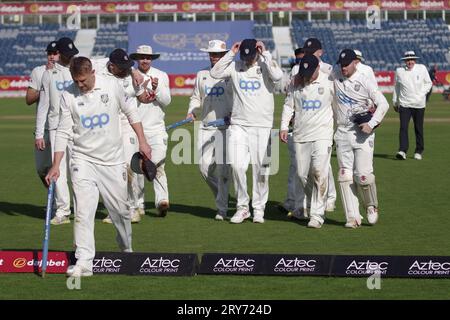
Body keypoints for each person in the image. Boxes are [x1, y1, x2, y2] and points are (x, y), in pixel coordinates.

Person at [45, 57, 152, 277]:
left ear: (92, 72)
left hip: (112, 161)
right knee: (83, 212)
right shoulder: (69, 95)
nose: (80, 85)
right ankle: (84, 262)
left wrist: (142, 141)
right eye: (76, 81)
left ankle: (125, 245)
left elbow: (132, 112)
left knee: (120, 212)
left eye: (83, 80)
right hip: (82, 160)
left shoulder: (111, 85)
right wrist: (56, 165)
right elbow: (63, 131)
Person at [211, 38, 283, 224]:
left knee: (261, 170)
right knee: (237, 166)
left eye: (250, 56)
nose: (247, 59)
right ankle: (243, 208)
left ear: (257, 52)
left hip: (262, 126)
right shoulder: (235, 66)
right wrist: (231, 53)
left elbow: (278, 76)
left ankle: (258, 208)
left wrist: (266, 53)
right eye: (245, 56)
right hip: (239, 125)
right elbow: (214, 72)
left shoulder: (265, 65)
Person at [332, 49, 389, 228]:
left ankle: (371, 206)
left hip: (362, 134)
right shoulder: (334, 75)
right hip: (342, 133)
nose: (343, 68)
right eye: (341, 65)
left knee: (363, 176)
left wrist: (371, 124)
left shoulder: (364, 81)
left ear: (355, 63)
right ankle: (352, 217)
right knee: (344, 175)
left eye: (346, 65)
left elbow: (383, 104)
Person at [92, 49, 148, 224]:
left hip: (127, 124)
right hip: (105, 126)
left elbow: (141, 98)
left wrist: (148, 95)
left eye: (128, 67)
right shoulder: (98, 67)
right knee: (108, 170)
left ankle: (131, 208)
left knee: (126, 167)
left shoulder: (131, 76)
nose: (126, 70)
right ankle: (115, 209)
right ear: (111, 65)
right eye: (122, 67)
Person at [280, 54, 334, 228]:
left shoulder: (329, 81)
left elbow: (339, 70)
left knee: (319, 171)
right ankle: (317, 201)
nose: (307, 76)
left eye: (310, 72)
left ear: (318, 68)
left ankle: (317, 215)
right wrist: (282, 127)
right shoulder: (297, 83)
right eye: (304, 73)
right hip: (301, 135)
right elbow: (289, 106)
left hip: (322, 134)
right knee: (303, 175)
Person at [187, 40, 232, 221]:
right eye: (211, 54)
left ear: (224, 55)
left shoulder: (231, 74)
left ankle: (222, 208)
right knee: (204, 169)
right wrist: (191, 111)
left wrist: (234, 115)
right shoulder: (202, 74)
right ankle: (224, 196)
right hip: (206, 127)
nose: (214, 57)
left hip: (226, 128)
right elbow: (196, 97)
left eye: (218, 54)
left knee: (223, 171)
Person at [35, 37, 79, 225]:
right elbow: (43, 106)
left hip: (76, 126)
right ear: (59, 54)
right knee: (58, 169)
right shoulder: (49, 74)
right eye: (67, 55)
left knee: (77, 168)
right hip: (55, 127)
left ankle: (81, 209)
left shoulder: (77, 68)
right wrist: (39, 133)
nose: (71, 58)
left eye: (72, 54)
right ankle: (63, 211)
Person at [130, 45, 171, 217]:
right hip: (135, 128)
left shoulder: (161, 75)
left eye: (148, 57)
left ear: (152, 59)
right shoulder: (130, 75)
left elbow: (167, 101)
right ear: (137, 58)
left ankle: (162, 201)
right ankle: (138, 205)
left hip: (156, 128)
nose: (145, 60)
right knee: (136, 168)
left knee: (156, 163)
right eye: (142, 57)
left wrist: (156, 88)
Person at [302, 38, 337, 212]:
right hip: (305, 124)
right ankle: (308, 201)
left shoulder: (329, 70)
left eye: (312, 52)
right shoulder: (300, 67)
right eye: (307, 52)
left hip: (324, 123)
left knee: (323, 167)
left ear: (320, 52)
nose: (309, 55)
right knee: (305, 170)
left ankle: (329, 197)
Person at [26, 40, 59, 186]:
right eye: (50, 54)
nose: (52, 56)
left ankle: (61, 206)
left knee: (68, 168)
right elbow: (29, 99)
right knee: (41, 169)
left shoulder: (67, 71)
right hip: (44, 128)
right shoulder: (38, 71)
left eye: (55, 53)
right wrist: (45, 88)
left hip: (62, 127)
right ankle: (53, 199)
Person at [393, 51, 432, 161]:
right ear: (405, 61)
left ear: (415, 60)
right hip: (405, 104)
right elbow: (397, 87)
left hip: (419, 104)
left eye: (412, 59)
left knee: (418, 128)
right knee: (403, 128)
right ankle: (402, 150)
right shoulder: (399, 71)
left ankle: (418, 151)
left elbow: (428, 83)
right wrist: (395, 101)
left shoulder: (422, 68)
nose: (410, 61)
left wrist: (421, 94)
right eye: (408, 60)